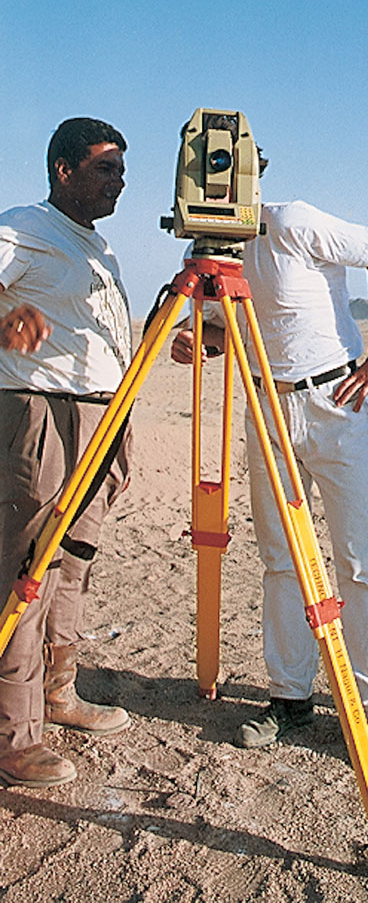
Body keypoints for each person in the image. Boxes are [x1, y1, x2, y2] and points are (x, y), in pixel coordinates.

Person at [171, 159, 368, 776]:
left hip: (336, 403)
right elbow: (227, 332)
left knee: (361, 560)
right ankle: (290, 698)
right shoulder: (218, 261)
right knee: (280, 559)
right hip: (266, 407)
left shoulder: (293, 223)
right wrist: (197, 339)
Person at [0, 117, 133, 788]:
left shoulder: (97, 245)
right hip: (42, 413)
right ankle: (15, 736)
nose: (120, 181)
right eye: (106, 167)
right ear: (63, 169)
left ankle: (60, 693)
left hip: (101, 416)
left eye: (121, 170)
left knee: (74, 562)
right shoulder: (23, 226)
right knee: (28, 566)